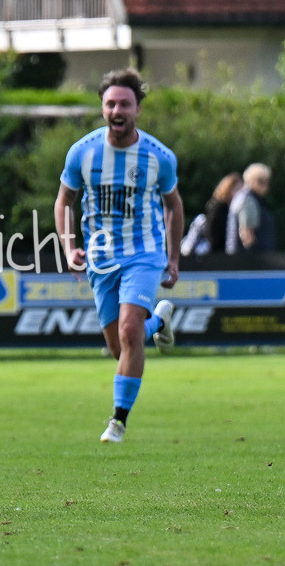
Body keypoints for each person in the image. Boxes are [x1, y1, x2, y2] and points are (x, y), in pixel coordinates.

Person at [54, 68, 185, 443]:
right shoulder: (83, 151)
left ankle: (118, 421)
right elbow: (64, 200)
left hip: (144, 253)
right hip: (101, 258)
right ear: (102, 107)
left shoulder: (159, 156)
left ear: (138, 108)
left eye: (124, 103)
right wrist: (68, 246)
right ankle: (158, 322)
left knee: (129, 332)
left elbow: (174, 206)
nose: (117, 110)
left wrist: (172, 258)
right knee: (120, 347)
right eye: (110, 103)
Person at [226, 163, 275, 253]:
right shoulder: (249, 200)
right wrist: (255, 253)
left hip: (238, 257)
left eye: (266, 180)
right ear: (251, 180)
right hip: (248, 260)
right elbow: (246, 232)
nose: (265, 185)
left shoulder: (242, 197)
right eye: (260, 180)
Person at [204, 172, 242, 253]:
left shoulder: (234, 208)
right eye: (237, 189)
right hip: (218, 252)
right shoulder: (219, 208)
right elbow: (213, 233)